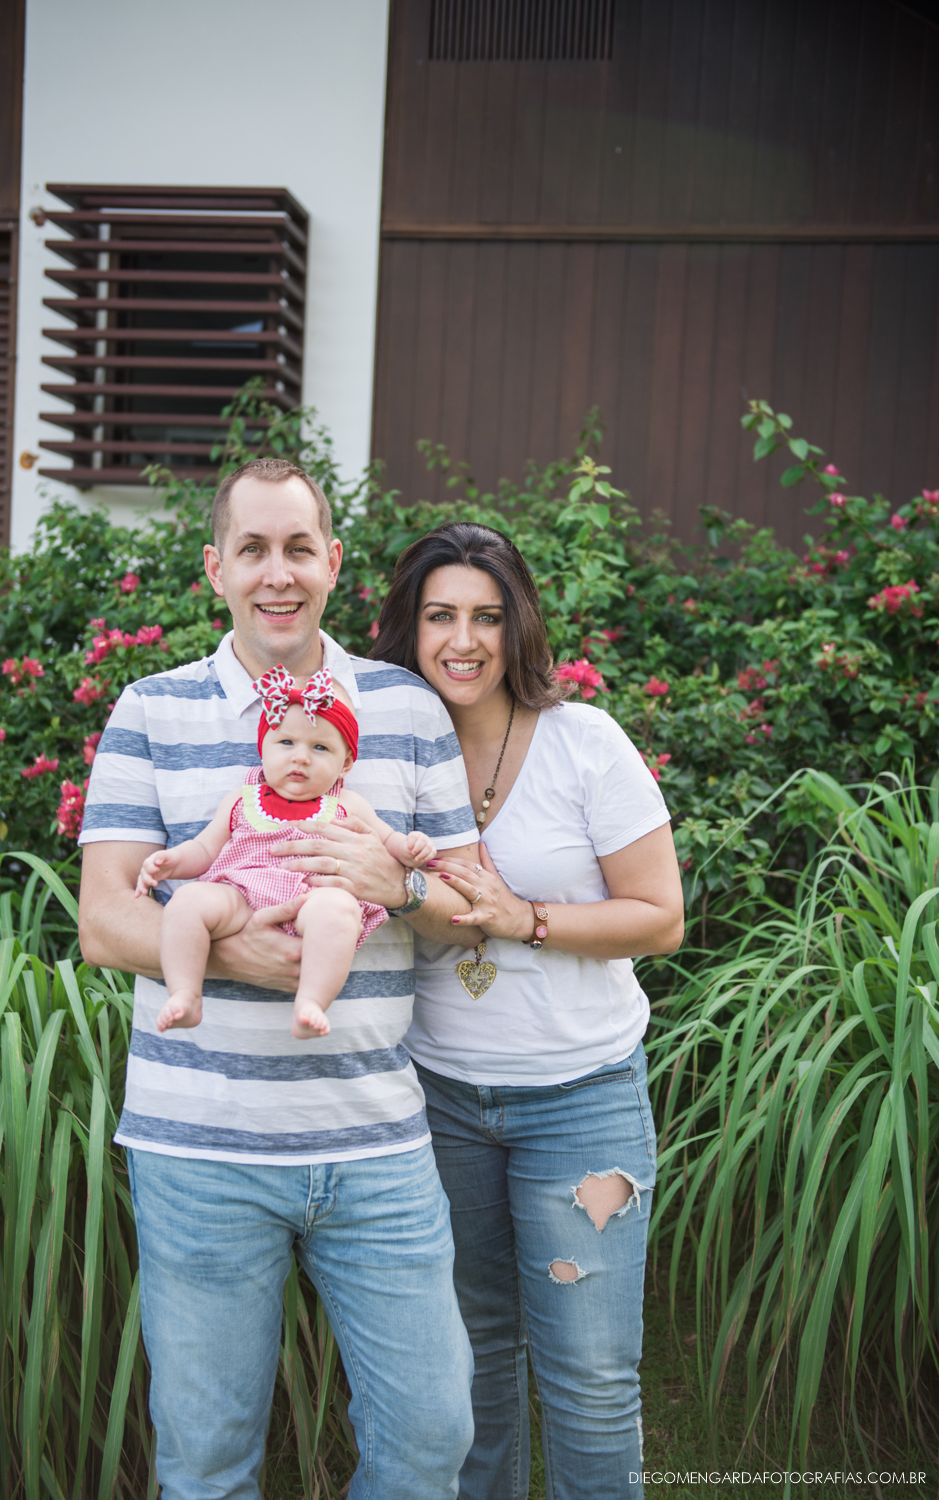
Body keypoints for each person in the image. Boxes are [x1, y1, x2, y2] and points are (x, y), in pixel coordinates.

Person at [77, 458, 478, 1500]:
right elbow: (105, 916)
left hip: (375, 1143)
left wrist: (390, 878)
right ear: (216, 568)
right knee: (207, 1463)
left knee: (430, 1440)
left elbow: (465, 907)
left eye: (298, 547)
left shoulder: (405, 708)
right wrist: (229, 947)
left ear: (332, 563)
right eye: (252, 549)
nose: (277, 573)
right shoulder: (149, 710)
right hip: (198, 1151)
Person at [369, 521, 685, 1500]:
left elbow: (660, 917)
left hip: (577, 1099)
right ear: (406, 630)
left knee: (589, 1379)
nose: (461, 640)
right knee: (469, 1368)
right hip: (439, 1102)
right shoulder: (382, 755)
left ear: (517, 629)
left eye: (485, 617)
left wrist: (525, 918)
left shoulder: (582, 742)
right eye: (439, 616)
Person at [136, 666, 436, 1037]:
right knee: (188, 902)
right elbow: (204, 848)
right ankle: (185, 993)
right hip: (240, 897)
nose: (301, 758)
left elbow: (389, 842)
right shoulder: (242, 798)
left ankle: (310, 1001)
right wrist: (171, 862)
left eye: (320, 747)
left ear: (345, 764)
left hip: (314, 900)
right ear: (263, 748)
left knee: (340, 912)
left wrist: (412, 847)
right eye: (286, 743)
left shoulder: (347, 803)